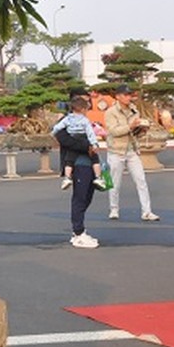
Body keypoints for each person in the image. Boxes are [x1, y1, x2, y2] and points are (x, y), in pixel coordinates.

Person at [104, 87, 160, 221]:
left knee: (141, 180)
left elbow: (135, 132)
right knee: (114, 182)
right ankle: (114, 209)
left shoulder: (134, 110)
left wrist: (142, 129)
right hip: (116, 150)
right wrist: (131, 126)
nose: (129, 97)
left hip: (132, 150)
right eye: (126, 95)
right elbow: (113, 131)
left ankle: (146, 211)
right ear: (118, 96)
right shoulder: (111, 112)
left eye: (130, 95)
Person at [54, 96, 100, 248]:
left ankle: (79, 230)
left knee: (88, 196)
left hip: (89, 160)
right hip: (78, 164)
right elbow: (61, 137)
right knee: (79, 197)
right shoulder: (66, 122)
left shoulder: (85, 121)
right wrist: (85, 145)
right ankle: (78, 232)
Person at [52, 96, 108, 192]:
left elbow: (57, 127)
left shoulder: (67, 119)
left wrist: (53, 132)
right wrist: (94, 144)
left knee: (69, 161)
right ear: (83, 109)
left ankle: (67, 178)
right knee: (95, 159)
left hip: (73, 137)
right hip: (83, 138)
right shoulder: (84, 120)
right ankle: (98, 177)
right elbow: (90, 133)